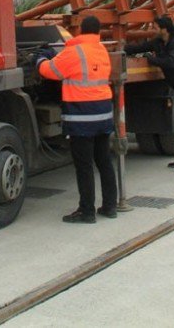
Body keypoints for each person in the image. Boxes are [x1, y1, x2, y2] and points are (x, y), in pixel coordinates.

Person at [35, 16, 118, 224]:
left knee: (84, 166)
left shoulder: (75, 51)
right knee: (104, 161)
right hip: (103, 115)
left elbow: (49, 71)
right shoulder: (102, 51)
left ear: (80, 30)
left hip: (82, 118)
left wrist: (40, 58)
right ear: (98, 32)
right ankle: (110, 206)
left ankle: (86, 212)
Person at [124, 15, 174, 172]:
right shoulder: (159, 42)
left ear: (164, 29)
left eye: (155, 27)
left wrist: (152, 59)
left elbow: (172, 62)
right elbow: (140, 48)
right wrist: (120, 49)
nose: (153, 29)